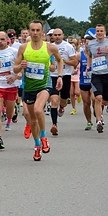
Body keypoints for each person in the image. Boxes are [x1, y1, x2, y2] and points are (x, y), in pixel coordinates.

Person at [13, 20, 63, 161]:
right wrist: (20, 66)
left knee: (37, 110)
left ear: (42, 32)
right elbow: (15, 68)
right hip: (28, 87)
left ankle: (44, 137)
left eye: (37, 30)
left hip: (44, 86)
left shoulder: (50, 48)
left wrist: (59, 76)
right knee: (32, 120)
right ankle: (37, 146)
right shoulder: (23, 48)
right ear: (29, 32)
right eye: (32, 30)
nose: (35, 33)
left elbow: (59, 61)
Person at [86, 24, 108, 133]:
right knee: (98, 98)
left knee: (105, 100)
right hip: (96, 75)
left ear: (104, 32)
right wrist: (88, 66)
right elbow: (89, 55)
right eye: (97, 31)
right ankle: (98, 121)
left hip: (107, 75)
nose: (99, 33)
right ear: (95, 32)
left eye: (101, 31)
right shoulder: (91, 44)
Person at [0, 31, 21, 149]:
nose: (0, 42)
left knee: (9, 113)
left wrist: (15, 77)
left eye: (2, 39)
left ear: (7, 40)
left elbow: (20, 69)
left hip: (11, 86)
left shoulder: (14, 52)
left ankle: (13, 113)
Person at [48, 28, 77, 136]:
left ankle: (62, 107)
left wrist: (63, 61)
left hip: (65, 75)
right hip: (53, 75)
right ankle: (54, 125)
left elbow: (75, 62)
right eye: (55, 35)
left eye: (59, 35)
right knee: (54, 100)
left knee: (63, 99)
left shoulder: (68, 47)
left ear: (63, 35)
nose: (57, 37)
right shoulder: (49, 47)